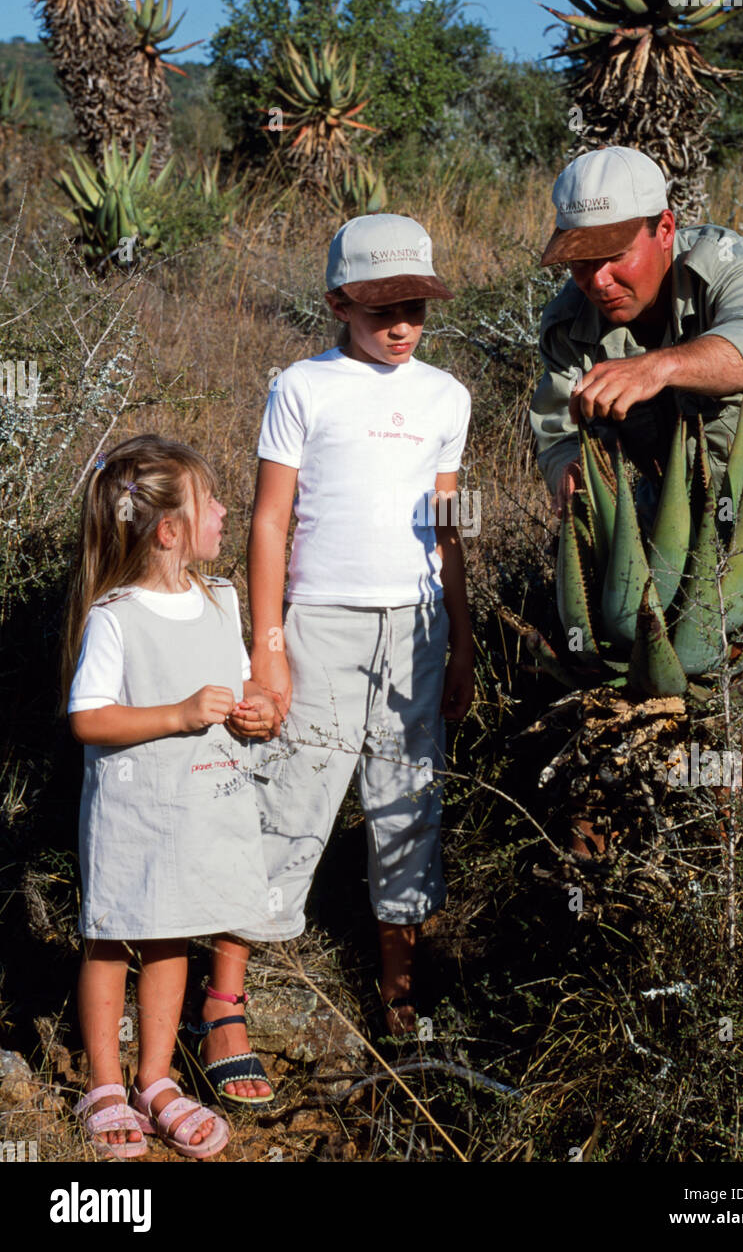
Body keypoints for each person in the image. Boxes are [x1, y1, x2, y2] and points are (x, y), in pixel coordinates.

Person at [248, 212, 474, 1036]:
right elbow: (270, 522)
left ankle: (400, 1001)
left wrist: (463, 639)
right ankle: (233, 1003)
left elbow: (446, 527)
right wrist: (268, 644)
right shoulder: (301, 386)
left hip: (416, 632)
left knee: (408, 804)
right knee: (291, 799)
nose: (402, 325)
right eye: (381, 309)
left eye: (416, 305)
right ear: (340, 301)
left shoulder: (447, 396)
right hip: (321, 625)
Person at [61, 435, 281, 1159]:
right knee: (111, 937)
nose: (225, 510)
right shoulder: (117, 615)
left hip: (201, 812)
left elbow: (242, 681)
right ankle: (104, 1082)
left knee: (169, 934)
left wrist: (257, 709)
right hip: (131, 813)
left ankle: (154, 1079)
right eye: (210, 501)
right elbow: (88, 718)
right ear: (169, 531)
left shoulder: (221, 598)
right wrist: (179, 714)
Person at [530, 146, 743, 615]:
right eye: (580, 261)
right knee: (628, 638)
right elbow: (558, 431)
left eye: (615, 255)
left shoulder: (728, 262)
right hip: (667, 506)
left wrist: (658, 368)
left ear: (664, 229)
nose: (598, 280)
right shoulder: (568, 321)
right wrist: (570, 473)